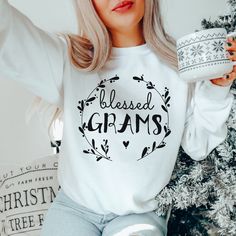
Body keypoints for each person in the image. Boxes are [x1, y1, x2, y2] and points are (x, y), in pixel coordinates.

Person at [0, 0, 235, 235]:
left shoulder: (179, 65)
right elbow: (10, 34)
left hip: (141, 214)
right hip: (74, 211)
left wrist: (216, 87)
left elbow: (197, 145)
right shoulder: (70, 59)